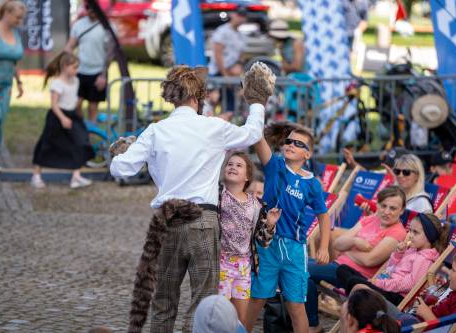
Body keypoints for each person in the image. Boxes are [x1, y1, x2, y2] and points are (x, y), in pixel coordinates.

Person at [111, 63, 274, 333]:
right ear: (197, 97)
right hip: (202, 220)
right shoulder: (212, 126)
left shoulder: (155, 131)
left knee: (163, 302)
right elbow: (252, 133)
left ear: (171, 96)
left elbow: (120, 168)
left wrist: (132, 153)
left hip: (168, 221)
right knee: (204, 304)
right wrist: (256, 102)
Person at [244, 125, 332, 333]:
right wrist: (259, 107)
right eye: (288, 141)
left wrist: (325, 247)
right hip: (267, 244)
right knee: (257, 299)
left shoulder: (312, 183)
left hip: (294, 249)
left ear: (307, 154)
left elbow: (323, 215)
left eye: (298, 143)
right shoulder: (274, 165)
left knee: (296, 305)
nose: (291, 145)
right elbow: (257, 137)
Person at [306, 185, 407, 332]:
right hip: (337, 267)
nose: (386, 212)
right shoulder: (371, 219)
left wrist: (348, 251)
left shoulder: (397, 233)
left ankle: (310, 325)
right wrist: (355, 242)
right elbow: (337, 244)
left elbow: (370, 260)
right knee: (302, 273)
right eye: (383, 206)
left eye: (393, 208)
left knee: (299, 268)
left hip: (354, 279)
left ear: (402, 210)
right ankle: (312, 325)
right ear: (377, 204)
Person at [218, 151, 280, 324]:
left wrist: (269, 224)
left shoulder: (256, 205)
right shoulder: (218, 196)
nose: (233, 167)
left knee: (240, 318)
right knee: (220, 315)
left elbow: (263, 241)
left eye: (239, 165)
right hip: (221, 263)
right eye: (230, 164)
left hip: (243, 267)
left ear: (247, 176)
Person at [337, 213, 450, 306]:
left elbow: (409, 285)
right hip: (387, 286)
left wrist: (381, 283)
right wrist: (398, 254)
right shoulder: (412, 249)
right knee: (342, 269)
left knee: (354, 281)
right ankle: (354, 293)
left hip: (397, 297)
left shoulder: (424, 259)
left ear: (429, 236)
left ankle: (352, 295)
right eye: (410, 230)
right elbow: (390, 268)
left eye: (415, 232)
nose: (410, 235)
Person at [31, 52, 94, 189]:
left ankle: (76, 177)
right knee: (47, 145)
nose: (77, 71)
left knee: (80, 142)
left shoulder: (76, 81)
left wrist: (77, 110)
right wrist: (63, 118)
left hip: (71, 116)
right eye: (74, 67)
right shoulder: (57, 84)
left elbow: (73, 100)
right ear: (65, 67)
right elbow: (54, 105)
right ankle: (36, 175)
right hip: (57, 116)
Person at [386, 251, 456, 330]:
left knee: (375, 305)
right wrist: (430, 305)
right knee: (375, 302)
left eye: (453, 270)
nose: (449, 273)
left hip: (417, 327)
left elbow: (446, 331)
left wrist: (425, 313)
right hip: (415, 321)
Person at [0, 0, 25, 172]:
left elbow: (15, 61)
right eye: (18, 17)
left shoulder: (15, 34)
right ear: (7, 13)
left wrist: (19, 82)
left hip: (6, 85)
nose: (20, 21)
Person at [65, 1, 115, 122]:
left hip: (98, 72)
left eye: (93, 8)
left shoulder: (108, 27)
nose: (91, 11)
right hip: (80, 71)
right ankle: (82, 129)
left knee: (93, 107)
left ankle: (90, 133)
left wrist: (103, 75)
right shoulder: (79, 25)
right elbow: (69, 47)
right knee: (76, 104)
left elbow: (110, 54)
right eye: (88, 8)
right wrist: (70, 65)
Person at [208, 6, 247, 112]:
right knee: (212, 102)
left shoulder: (241, 36)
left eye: (243, 16)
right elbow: (217, 54)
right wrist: (225, 75)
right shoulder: (222, 31)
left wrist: (239, 68)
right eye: (239, 15)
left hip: (232, 74)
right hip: (217, 72)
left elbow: (241, 56)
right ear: (232, 14)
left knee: (230, 107)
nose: (241, 18)